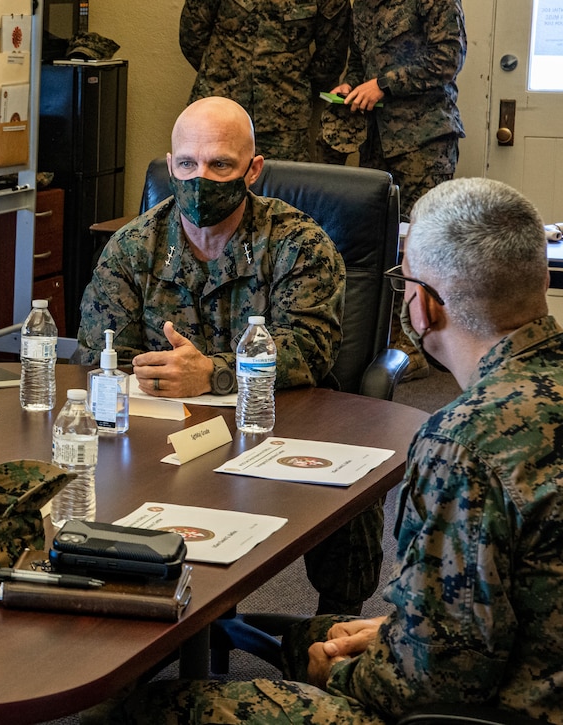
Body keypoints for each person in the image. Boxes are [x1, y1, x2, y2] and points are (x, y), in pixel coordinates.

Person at [94, 177, 563, 724]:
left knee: (127, 715)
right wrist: (396, 630)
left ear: (424, 307)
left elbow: (431, 687)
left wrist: (336, 675)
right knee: (317, 634)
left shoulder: (463, 445)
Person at [78, 98, 380, 619]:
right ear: (171, 166)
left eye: (220, 165)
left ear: (253, 169)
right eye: (187, 165)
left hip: (280, 420)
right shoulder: (132, 249)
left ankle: (335, 623)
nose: (201, 180)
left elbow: (310, 348)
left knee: (348, 478)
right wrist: (148, 375)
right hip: (163, 430)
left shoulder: (298, 244)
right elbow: (98, 351)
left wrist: (212, 373)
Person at [330, 0, 465, 212]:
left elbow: (448, 59)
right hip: (374, 144)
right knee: (374, 233)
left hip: (422, 143)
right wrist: (351, 86)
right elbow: (359, 60)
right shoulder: (364, 4)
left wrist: (385, 85)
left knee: (422, 233)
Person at [179, 0, 351, 162]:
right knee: (209, 184)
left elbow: (331, 56)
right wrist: (224, 73)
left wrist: (292, 86)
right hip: (217, 110)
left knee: (283, 188)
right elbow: (192, 35)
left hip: (284, 119)